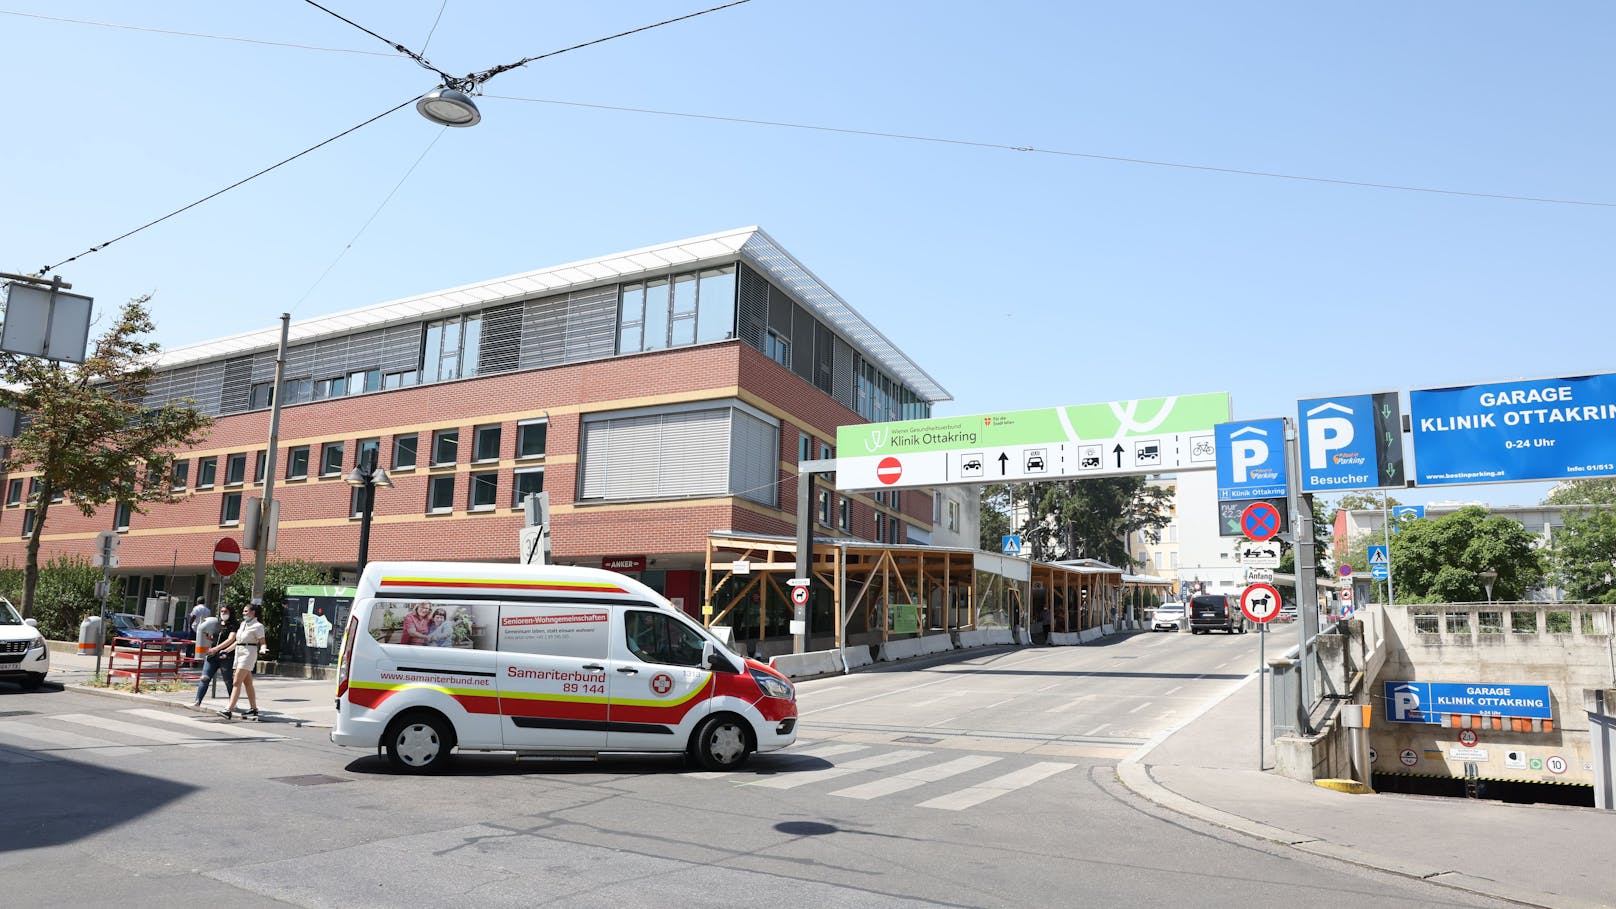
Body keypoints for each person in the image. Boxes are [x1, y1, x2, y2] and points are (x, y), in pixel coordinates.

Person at [215, 603, 266, 720]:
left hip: (248, 653)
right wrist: (226, 651)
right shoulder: (243, 624)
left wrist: (263, 649)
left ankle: (229, 710)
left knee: (236, 682)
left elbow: (262, 642)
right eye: (243, 611)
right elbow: (238, 641)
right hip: (239, 652)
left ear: (253, 613)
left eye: (246, 611)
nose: (243, 613)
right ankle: (254, 709)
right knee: (247, 683)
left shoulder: (258, 626)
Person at [192, 605, 236, 708]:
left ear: (230, 613)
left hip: (225, 656)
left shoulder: (233, 625)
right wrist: (210, 639)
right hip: (212, 655)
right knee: (204, 678)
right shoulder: (217, 624)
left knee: (228, 680)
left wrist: (217, 649)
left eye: (225, 612)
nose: (223, 613)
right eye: (221, 611)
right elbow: (217, 639)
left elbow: (230, 639)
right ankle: (197, 701)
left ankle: (232, 702)